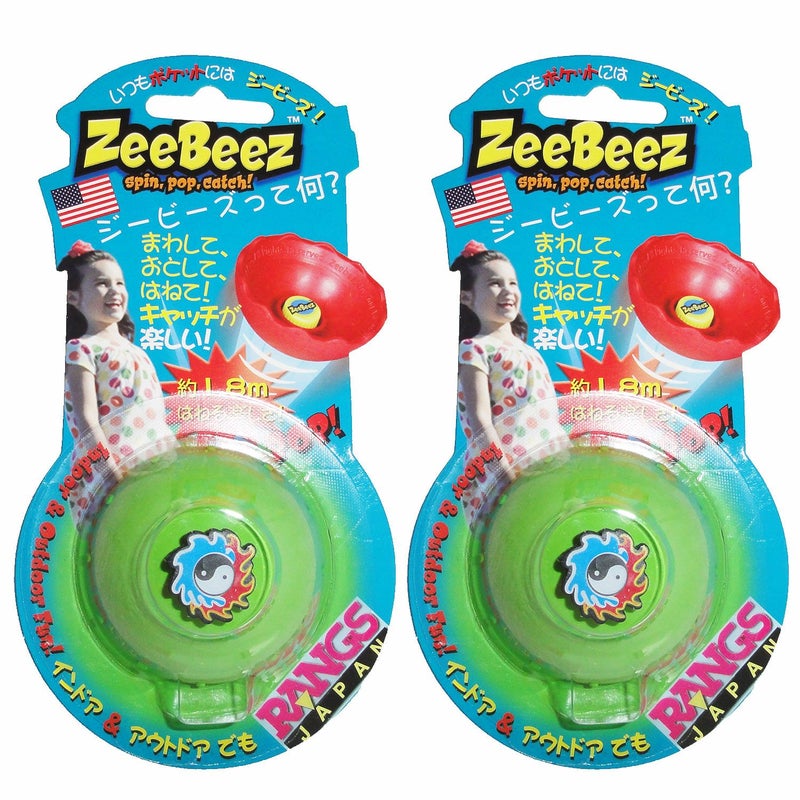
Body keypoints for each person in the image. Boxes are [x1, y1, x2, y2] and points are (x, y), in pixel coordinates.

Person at [452, 240, 568, 525]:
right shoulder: (475, 348)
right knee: (508, 537)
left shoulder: (531, 352)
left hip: (546, 466)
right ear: (466, 297)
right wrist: (502, 472)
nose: (507, 291)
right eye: (494, 283)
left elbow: (549, 417)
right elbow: (479, 419)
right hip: (503, 470)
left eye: (512, 283)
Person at [59, 240, 173, 526]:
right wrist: (109, 472)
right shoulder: (82, 349)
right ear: (73, 297)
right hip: (110, 471)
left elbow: (157, 417)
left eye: (119, 283)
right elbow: (86, 419)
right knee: (117, 537)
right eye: (101, 283)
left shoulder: (138, 352)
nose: (114, 291)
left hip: (153, 466)